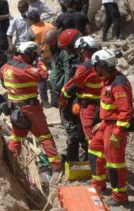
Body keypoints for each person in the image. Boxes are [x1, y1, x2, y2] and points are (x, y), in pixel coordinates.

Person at [0, 41, 62, 171]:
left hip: (15, 109)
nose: (35, 56)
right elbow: (43, 75)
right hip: (30, 109)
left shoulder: (5, 67)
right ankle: (56, 166)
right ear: (27, 53)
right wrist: (40, 62)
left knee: (17, 137)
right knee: (44, 136)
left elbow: (2, 81)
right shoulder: (25, 69)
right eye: (34, 54)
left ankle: (11, 166)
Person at [88, 49, 134, 204]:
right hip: (105, 125)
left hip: (114, 128)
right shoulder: (108, 81)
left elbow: (126, 110)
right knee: (94, 149)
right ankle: (99, 184)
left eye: (96, 66)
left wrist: (118, 131)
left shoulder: (118, 84)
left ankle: (120, 196)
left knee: (115, 162)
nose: (95, 69)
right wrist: (101, 121)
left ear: (102, 66)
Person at [58, 36, 102, 149]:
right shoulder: (104, 62)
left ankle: (96, 163)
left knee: (92, 138)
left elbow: (73, 85)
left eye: (79, 51)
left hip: (89, 107)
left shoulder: (84, 67)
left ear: (84, 50)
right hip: (105, 105)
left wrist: (63, 97)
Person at [56, 29, 87, 161]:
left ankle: (76, 159)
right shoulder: (67, 55)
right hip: (72, 97)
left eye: (67, 48)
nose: (66, 51)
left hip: (78, 98)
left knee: (76, 131)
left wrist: (65, 97)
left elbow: (71, 81)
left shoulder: (82, 59)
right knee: (78, 130)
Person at [28, 9, 54, 108]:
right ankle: (55, 98)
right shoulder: (49, 25)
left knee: (41, 79)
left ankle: (45, 101)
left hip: (39, 58)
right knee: (54, 76)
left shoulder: (31, 30)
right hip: (51, 55)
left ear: (31, 19)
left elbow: (29, 45)